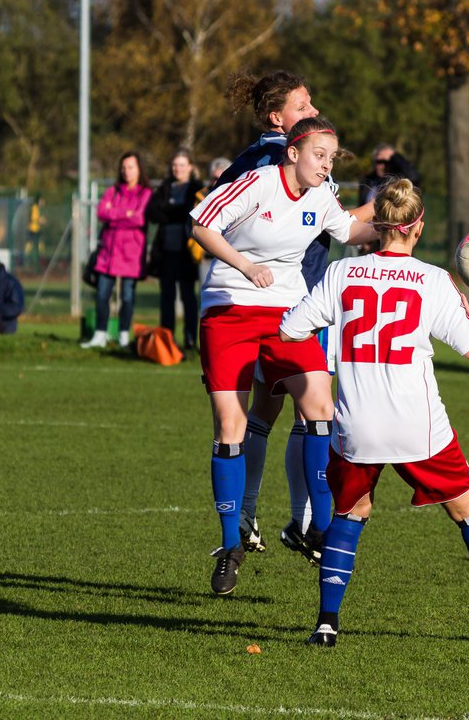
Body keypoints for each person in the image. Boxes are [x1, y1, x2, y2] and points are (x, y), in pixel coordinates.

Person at [279, 177, 469, 647]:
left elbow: (290, 329)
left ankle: (326, 624)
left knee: (350, 514)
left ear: (379, 224)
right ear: (418, 226)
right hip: (418, 425)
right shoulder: (432, 279)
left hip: (356, 423)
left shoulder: (343, 274)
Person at [189, 116, 376, 595]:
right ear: (293, 152)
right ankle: (232, 545)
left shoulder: (320, 197)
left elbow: (351, 232)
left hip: (286, 315)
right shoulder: (258, 182)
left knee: (319, 405)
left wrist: (391, 208)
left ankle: (317, 527)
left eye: (332, 158)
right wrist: (245, 265)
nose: (326, 165)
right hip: (229, 309)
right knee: (230, 426)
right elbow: (200, 224)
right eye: (319, 155)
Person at [82, 153, 151, 349]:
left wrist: (116, 214)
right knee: (102, 294)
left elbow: (139, 218)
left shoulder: (145, 193)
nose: (126, 171)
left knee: (127, 297)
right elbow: (101, 212)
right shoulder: (113, 190)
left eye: (130, 167)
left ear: (139, 169)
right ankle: (100, 334)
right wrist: (124, 214)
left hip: (131, 253)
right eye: (124, 167)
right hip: (108, 252)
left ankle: (123, 335)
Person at [146, 149, 203, 350]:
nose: (177, 168)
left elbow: (193, 213)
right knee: (167, 297)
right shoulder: (165, 187)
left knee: (188, 297)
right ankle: (167, 340)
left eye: (182, 164)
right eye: (175, 165)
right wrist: (174, 214)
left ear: (190, 167)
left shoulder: (197, 188)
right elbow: (152, 211)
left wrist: (171, 212)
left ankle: (189, 340)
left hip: (187, 253)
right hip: (166, 252)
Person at [194, 157, 232, 287]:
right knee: (206, 294)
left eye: (222, 177)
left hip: (230, 255)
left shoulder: (238, 196)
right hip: (206, 254)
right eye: (215, 178)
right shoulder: (202, 196)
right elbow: (196, 226)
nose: (218, 181)